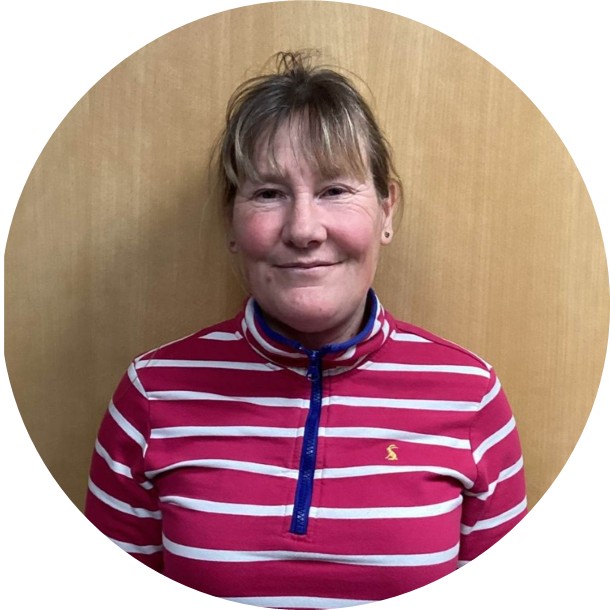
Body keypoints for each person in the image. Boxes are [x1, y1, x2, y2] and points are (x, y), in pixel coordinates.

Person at [85, 50, 527, 609]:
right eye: (268, 193)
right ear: (231, 221)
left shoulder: (470, 395)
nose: (303, 229)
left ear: (387, 210)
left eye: (335, 190)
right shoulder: (151, 394)